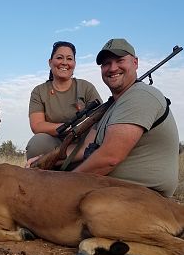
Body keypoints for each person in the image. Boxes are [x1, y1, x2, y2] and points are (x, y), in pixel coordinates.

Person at [67, 38, 179, 197]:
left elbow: (109, 159)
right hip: (114, 188)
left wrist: (64, 184)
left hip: (143, 196)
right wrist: (48, 158)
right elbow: (86, 147)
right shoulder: (113, 105)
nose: (112, 68)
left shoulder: (140, 96)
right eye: (106, 63)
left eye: (120, 60)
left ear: (135, 63)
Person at [26, 41, 102, 160]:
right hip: (55, 142)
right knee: (37, 144)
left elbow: (100, 119)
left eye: (69, 59)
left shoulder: (86, 87)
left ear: (74, 63)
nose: (65, 63)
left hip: (84, 142)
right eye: (59, 58)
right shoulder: (39, 91)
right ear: (50, 62)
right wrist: (66, 128)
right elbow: (37, 126)